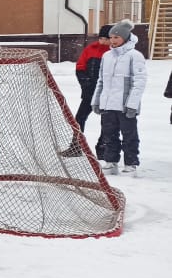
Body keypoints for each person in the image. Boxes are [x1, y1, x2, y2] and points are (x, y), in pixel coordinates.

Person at [92, 19, 147, 174]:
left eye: (117, 37)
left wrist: (132, 104)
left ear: (125, 37)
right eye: (111, 37)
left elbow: (139, 82)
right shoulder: (107, 56)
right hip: (108, 104)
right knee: (109, 134)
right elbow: (101, 81)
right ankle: (111, 161)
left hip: (125, 105)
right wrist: (97, 100)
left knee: (129, 135)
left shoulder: (134, 56)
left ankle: (131, 163)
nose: (113, 40)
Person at [61, 24, 112, 157]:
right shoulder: (90, 49)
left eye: (106, 39)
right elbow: (80, 68)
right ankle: (76, 147)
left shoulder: (113, 52)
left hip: (107, 94)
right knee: (79, 118)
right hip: (89, 93)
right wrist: (86, 83)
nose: (103, 41)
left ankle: (103, 149)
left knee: (106, 122)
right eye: (101, 38)